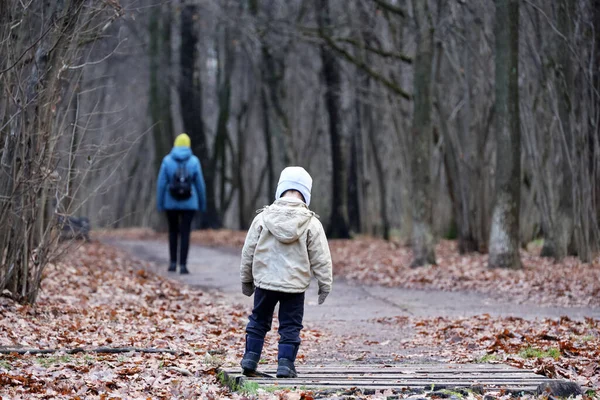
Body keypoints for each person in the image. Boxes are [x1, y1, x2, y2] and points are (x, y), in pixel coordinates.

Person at [239, 166, 333, 378]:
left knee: (258, 321)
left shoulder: (262, 218)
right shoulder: (311, 223)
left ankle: (250, 358)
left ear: (280, 189)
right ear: (306, 193)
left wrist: (246, 280)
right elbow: (321, 258)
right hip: (294, 285)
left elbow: (248, 251)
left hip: (265, 283)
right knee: (290, 326)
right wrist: (324, 284)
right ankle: (285, 364)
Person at [156, 133, 206, 274]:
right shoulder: (194, 161)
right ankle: (183, 265)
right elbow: (200, 185)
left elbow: (161, 184)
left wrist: (160, 204)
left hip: (170, 203)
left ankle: (172, 263)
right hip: (190, 203)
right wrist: (202, 204)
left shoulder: (167, 160)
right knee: (185, 233)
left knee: (172, 232)